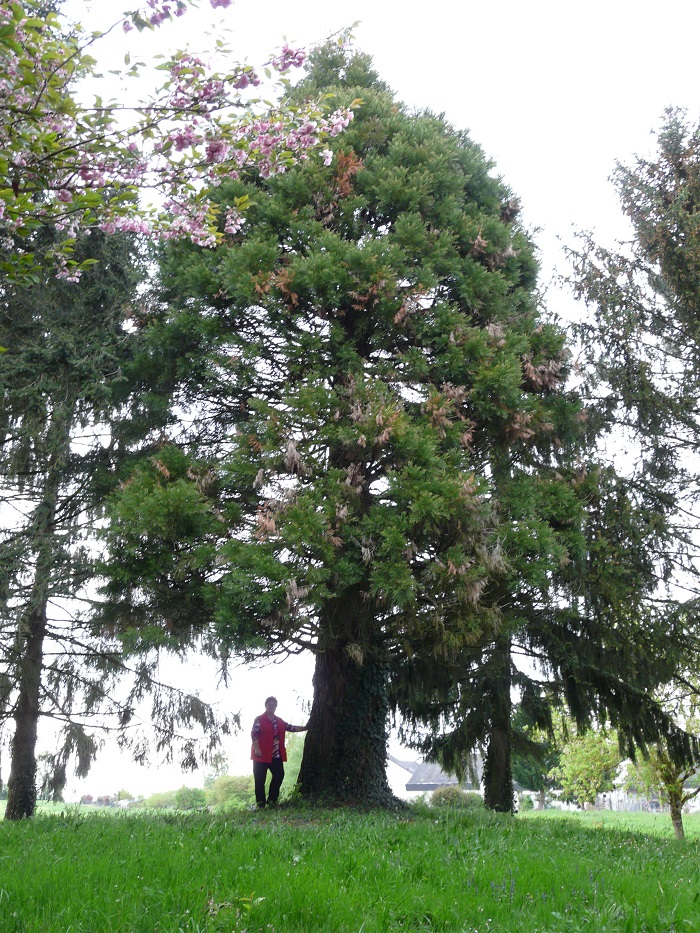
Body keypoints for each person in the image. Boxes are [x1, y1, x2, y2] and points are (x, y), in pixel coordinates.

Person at [250, 696, 308, 808]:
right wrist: (257, 748)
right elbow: (254, 734)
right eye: (269, 704)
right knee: (259, 780)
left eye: (273, 704)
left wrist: (305, 728)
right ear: (265, 705)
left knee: (279, 775)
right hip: (260, 755)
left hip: (276, 755)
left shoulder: (279, 721)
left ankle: (272, 800)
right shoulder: (259, 719)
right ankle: (260, 805)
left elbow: (290, 727)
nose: (271, 706)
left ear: (276, 706)